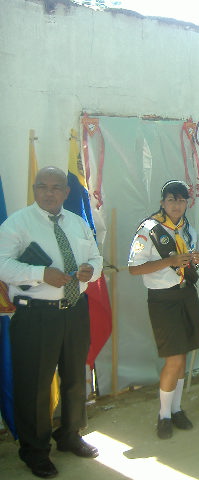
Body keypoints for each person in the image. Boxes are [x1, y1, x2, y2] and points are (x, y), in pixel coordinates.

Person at [0, 166, 103, 478]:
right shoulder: (18, 223)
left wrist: (91, 270)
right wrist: (40, 273)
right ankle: (34, 450)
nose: (48, 192)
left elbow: (96, 258)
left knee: (74, 379)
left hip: (74, 310)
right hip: (36, 315)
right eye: (42, 186)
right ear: (34, 189)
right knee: (35, 386)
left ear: (66, 192)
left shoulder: (77, 222)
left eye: (55, 187)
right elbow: (2, 264)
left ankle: (69, 435)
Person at [128, 180, 199, 439]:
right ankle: (164, 415)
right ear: (162, 202)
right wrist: (169, 261)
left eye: (181, 200)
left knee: (183, 354)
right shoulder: (148, 230)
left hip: (186, 295)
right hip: (163, 300)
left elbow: (190, 262)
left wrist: (195, 259)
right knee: (174, 358)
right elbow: (134, 268)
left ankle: (176, 409)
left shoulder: (187, 229)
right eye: (172, 199)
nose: (177, 205)